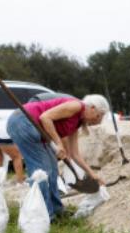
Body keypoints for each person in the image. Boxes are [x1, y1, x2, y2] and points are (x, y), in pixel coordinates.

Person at [7, 94, 109, 222]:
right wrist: (58, 143)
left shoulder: (76, 123)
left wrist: (92, 174)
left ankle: (57, 210)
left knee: (53, 169)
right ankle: (45, 215)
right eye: (99, 115)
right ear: (92, 108)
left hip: (34, 128)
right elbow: (45, 117)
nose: (98, 120)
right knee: (42, 172)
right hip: (23, 121)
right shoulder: (76, 105)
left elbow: (74, 154)